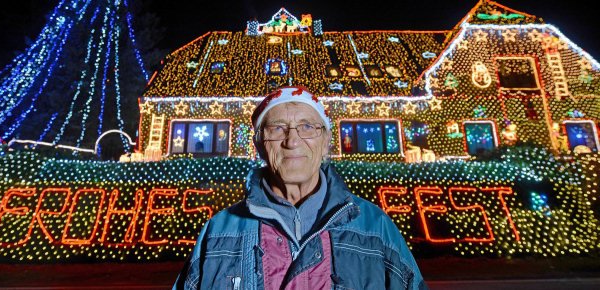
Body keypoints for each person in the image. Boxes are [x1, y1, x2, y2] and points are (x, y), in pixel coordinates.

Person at [173, 86, 427, 289]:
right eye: (277, 128)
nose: (292, 141)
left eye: (307, 126)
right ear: (260, 145)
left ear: (326, 140)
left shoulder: (374, 227)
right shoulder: (219, 231)